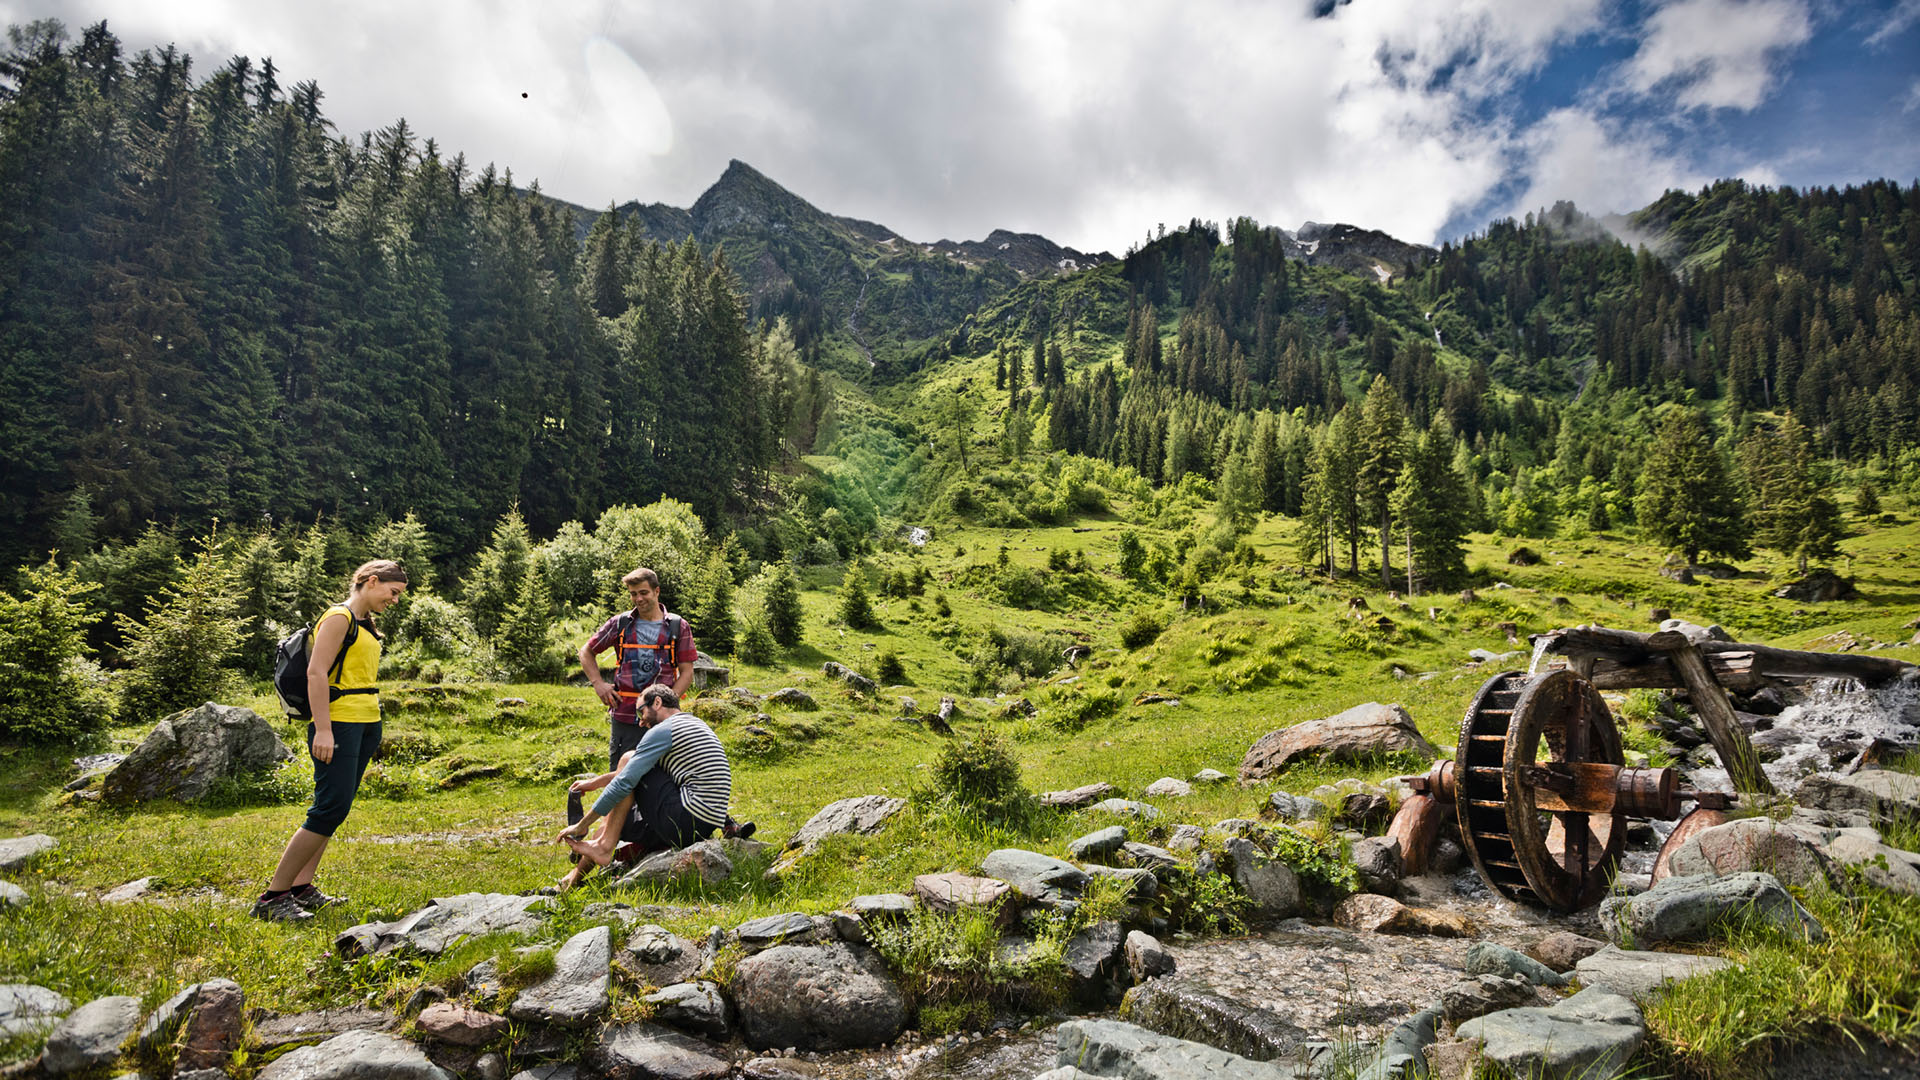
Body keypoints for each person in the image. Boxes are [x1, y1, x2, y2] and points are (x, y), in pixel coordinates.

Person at [254, 559, 408, 922]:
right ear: (372, 582)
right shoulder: (339, 617)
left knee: (336, 809)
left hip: (366, 721)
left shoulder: (365, 624)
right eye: (393, 592)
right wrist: (322, 728)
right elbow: (316, 672)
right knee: (327, 809)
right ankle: (273, 897)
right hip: (339, 724)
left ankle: (303, 888)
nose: (395, 600)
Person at [553, 685, 731, 890]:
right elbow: (639, 768)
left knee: (628, 758)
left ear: (657, 702)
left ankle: (602, 848)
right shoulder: (692, 724)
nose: (640, 720)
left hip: (685, 819)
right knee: (619, 819)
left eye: (641, 711)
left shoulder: (664, 730)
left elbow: (626, 778)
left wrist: (582, 824)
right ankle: (575, 877)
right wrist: (595, 783)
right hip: (702, 825)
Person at [579, 567, 696, 770]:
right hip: (624, 714)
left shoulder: (677, 626)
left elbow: (687, 672)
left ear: (656, 591)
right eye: (633, 594)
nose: (638, 599)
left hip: (662, 721)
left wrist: (667, 704)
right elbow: (586, 651)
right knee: (621, 778)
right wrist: (598, 684)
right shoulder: (620, 624)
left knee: (661, 777)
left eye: (643, 593)